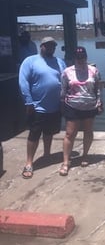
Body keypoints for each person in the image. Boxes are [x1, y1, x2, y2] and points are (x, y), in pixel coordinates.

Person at [19, 37, 66, 178]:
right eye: (48, 46)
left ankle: (47, 154)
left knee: (49, 132)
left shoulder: (60, 62)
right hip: (37, 106)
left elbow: (65, 81)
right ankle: (29, 163)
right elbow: (23, 82)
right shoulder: (30, 61)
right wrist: (28, 101)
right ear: (42, 46)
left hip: (55, 106)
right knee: (34, 134)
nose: (51, 48)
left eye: (53, 46)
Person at [59, 46, 103, 176]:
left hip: (90, 105)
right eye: (78, 57)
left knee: (88, 132)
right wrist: (62, 105)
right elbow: (63, 90)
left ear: (86, 57)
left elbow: (99, 88)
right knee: (69, 134)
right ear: (74, 58)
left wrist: (100, 103)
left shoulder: (94, 70)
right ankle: (66, 162)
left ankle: (85, 156)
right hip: (72, 106)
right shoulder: (67, 72)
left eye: (83, 57)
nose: (81, 59)